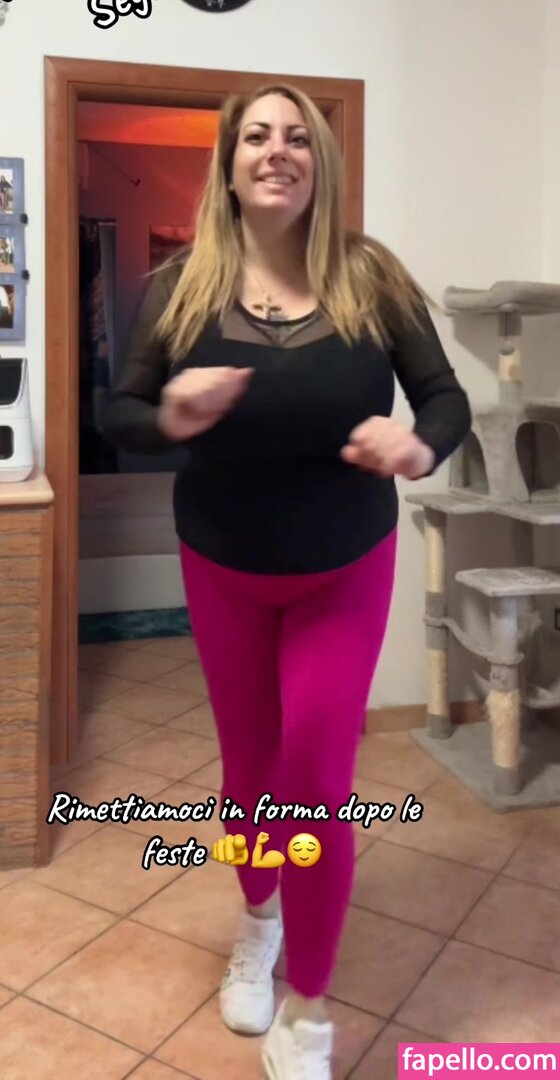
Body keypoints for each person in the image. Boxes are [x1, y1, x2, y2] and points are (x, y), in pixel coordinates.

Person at [103, 83, 471, 1080]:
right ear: (228, 164)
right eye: (257, 136)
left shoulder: (371, 276)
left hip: (342, 566)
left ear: (321, 163)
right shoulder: (181, 286)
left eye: (297, 137)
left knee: (313, 781)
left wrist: (419, 446)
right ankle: (258, 917)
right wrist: (168, 415)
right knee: (247, 775)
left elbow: (443, 397)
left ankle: (309, 1011)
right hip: (223, 565)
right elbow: (120, 411)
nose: (277, 150)